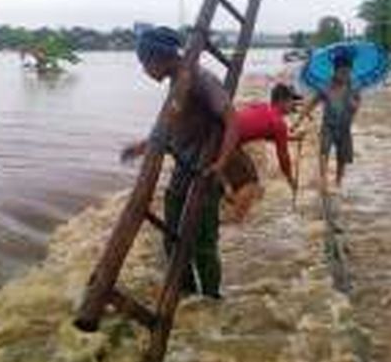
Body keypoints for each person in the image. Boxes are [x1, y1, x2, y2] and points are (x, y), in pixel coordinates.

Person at [122, 26, 239, 300]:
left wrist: (220, 164)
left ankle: (211, 301)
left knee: (203, 244)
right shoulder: (179, 82)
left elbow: (233, 121)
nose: (144, 70)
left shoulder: (199, 78)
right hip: (183, 169)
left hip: (205, 172)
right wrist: (142, 147)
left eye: (144, 64)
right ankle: (185, 295)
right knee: (171, 238)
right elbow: (172, 126)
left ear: (157, 59)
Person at [124, 83, 303, 221]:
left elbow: (263, 132)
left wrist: (291, 138)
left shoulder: (263, 109)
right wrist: (290, 180)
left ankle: (143, 147)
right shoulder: (279, 123)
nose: (293, 106)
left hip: (217, 131)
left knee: (177, 142)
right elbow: (284, 159)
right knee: (250, 185)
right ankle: (235, 226)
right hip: (225, 142)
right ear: (282, 101)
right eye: (292, 102)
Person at [294, 50, 361, 191]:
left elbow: (356, 107)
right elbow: (311, 104)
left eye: (348, 72)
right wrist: (298, 121)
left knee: (342, 158)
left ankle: (338, 182)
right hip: (328, 126)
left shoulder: (354, 87)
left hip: (344, 127)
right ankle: (323, 180)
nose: (345, 75)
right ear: (335, 72)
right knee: (324, 152)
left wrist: (352, 102)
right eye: (342, 72)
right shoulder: (326, 87)